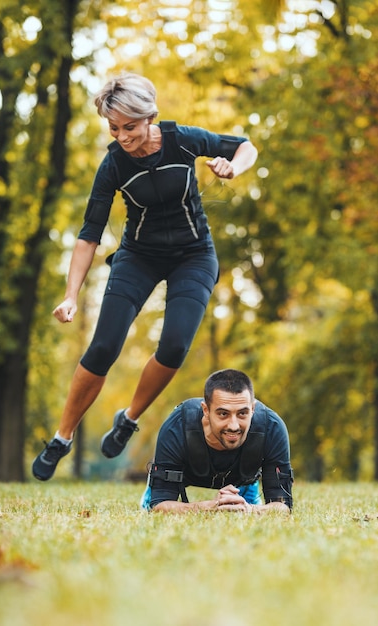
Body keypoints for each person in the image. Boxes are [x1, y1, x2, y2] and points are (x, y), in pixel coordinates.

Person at [32, 73, 258, 481]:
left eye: (130, 127)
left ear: (150, 117)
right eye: (114, 128)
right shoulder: (113, 165)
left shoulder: (181, 139)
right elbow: (89, 234)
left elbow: (245, 146)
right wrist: (70, 294)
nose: (122, 136)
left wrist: (233, 167)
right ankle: (61, 437)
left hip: (194, 255)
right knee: (103, 347)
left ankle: (129, 417)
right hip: (138, 257)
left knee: (174, 346)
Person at [140, 369, 293, 513]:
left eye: (242, 413)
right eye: (223, 414)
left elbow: (283, 506)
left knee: (245, 517)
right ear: (206, 410)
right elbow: (158, 505)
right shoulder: (176, 426)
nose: (233, 426)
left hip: (243, 477)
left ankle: (246, 491)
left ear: (253, 409)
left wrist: (250, 509)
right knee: (148, 507)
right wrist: (211, 506)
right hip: (187, 471)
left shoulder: (272, 427)